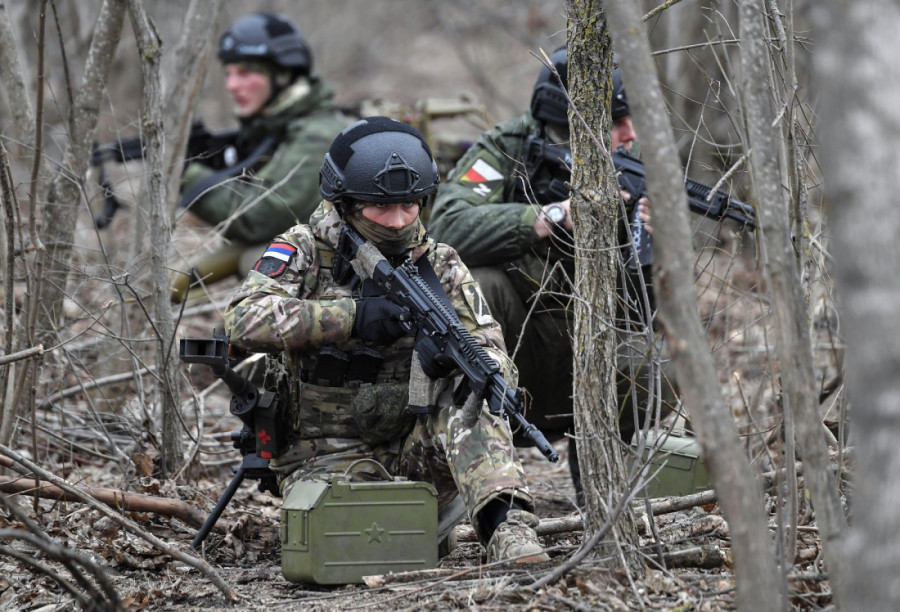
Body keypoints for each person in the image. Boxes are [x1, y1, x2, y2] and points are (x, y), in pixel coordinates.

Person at [223, 116, 549, 565]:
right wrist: (351, 318)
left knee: (476, 395)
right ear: (346, 203)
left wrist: (453, 363)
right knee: (353, 549)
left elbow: (488, 344)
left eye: (409, 205)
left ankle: (508, 530)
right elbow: (242, 318)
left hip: (414, 446)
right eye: (381, 207)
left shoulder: (440, 263)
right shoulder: (305, 250)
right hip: (324, 453)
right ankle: (414, 527)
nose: (397, 221)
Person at [427, 47, 679, 499]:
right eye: (617, 121)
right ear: (572, 124)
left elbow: (644, 316)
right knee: (479, 285)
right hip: (514, 350)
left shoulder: (634, 166)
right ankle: (481, 475)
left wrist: (653, 245)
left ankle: (600, 487)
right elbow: (446, 227)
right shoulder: (506, 149)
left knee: (660, 362)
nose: (630, 134)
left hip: (589, 351)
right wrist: (551, 216)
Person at [170, 12, 352, 303]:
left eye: (245, 73)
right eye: (228, 73)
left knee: (256, 259)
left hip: (350, 272)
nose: (231, 85)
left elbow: (260, 218)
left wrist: (185, 174)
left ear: (282, 75)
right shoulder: (276, 127)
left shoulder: (318, 135)